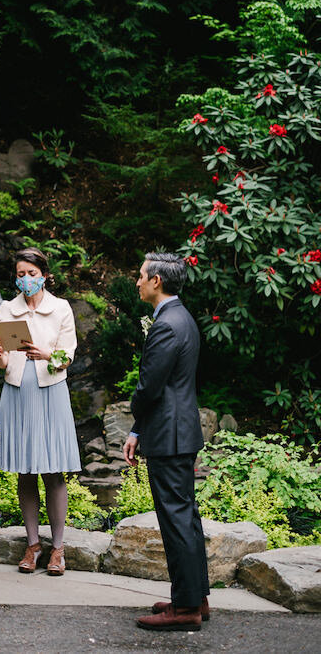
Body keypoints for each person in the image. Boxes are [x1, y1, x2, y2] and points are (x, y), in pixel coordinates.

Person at [124, 252, 210, 631]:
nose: (137, 282)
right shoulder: (182, 317)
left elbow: (150, 386)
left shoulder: (166, 325)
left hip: (169, 434)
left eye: (141, 276)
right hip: (179, 431)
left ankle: (187, 609)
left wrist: (136, 424)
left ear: (156, 281)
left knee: (176, 519)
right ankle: (194, 597)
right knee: (186, 517)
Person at [0, 246, 80, 576]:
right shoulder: (7, 308)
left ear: (44, 274)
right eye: (20, 274)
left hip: (51, 390)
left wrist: (45, 354)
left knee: (53, 471)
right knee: (25, 470)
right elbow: (2, 361)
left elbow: (67, 356)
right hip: (17, 391)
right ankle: (32, 545)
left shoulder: (62, 309)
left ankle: (58, 549)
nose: (26, 279)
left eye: (31, 273)